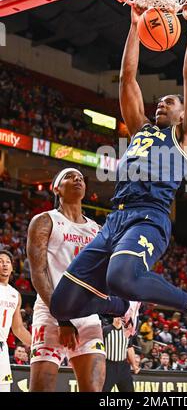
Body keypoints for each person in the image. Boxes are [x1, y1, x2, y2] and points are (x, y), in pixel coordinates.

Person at [51, 0, 187, 356]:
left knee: (121, 278)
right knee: (62, 306)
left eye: (168, 102)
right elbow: (127, 78)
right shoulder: (139, 130)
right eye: (159, 102)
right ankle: (123, 307)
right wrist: (134, 27)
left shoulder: (186, 137)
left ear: (182, 114)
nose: (160, 104)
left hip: (150, 216)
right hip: (116, 218)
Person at [27, 168, 108, 392]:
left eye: (81, 178)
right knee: (41, 389)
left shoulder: (97, 230)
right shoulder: (45, 221)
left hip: (87, 314)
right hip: (51, 310)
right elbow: (38, 273)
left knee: (93, 389)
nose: (77, 179)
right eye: (70, 177)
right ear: (56, 188)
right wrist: (62, 319)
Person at [0, 250, 31, 392]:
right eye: (0, 261)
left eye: (7, 262)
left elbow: (18, 328)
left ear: (12, 268)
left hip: (2, 348)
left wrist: (36, 345)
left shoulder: (15, 294)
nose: (4, 264)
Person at [102, 317, 139, 392]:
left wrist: (134, 365)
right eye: (116, 316)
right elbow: (100, 348)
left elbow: (129, 348)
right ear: (113, 317)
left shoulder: (127, 331)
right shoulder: (105, 330)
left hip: (123, 366)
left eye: (120, 316)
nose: (118, 318)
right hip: (109, 366)